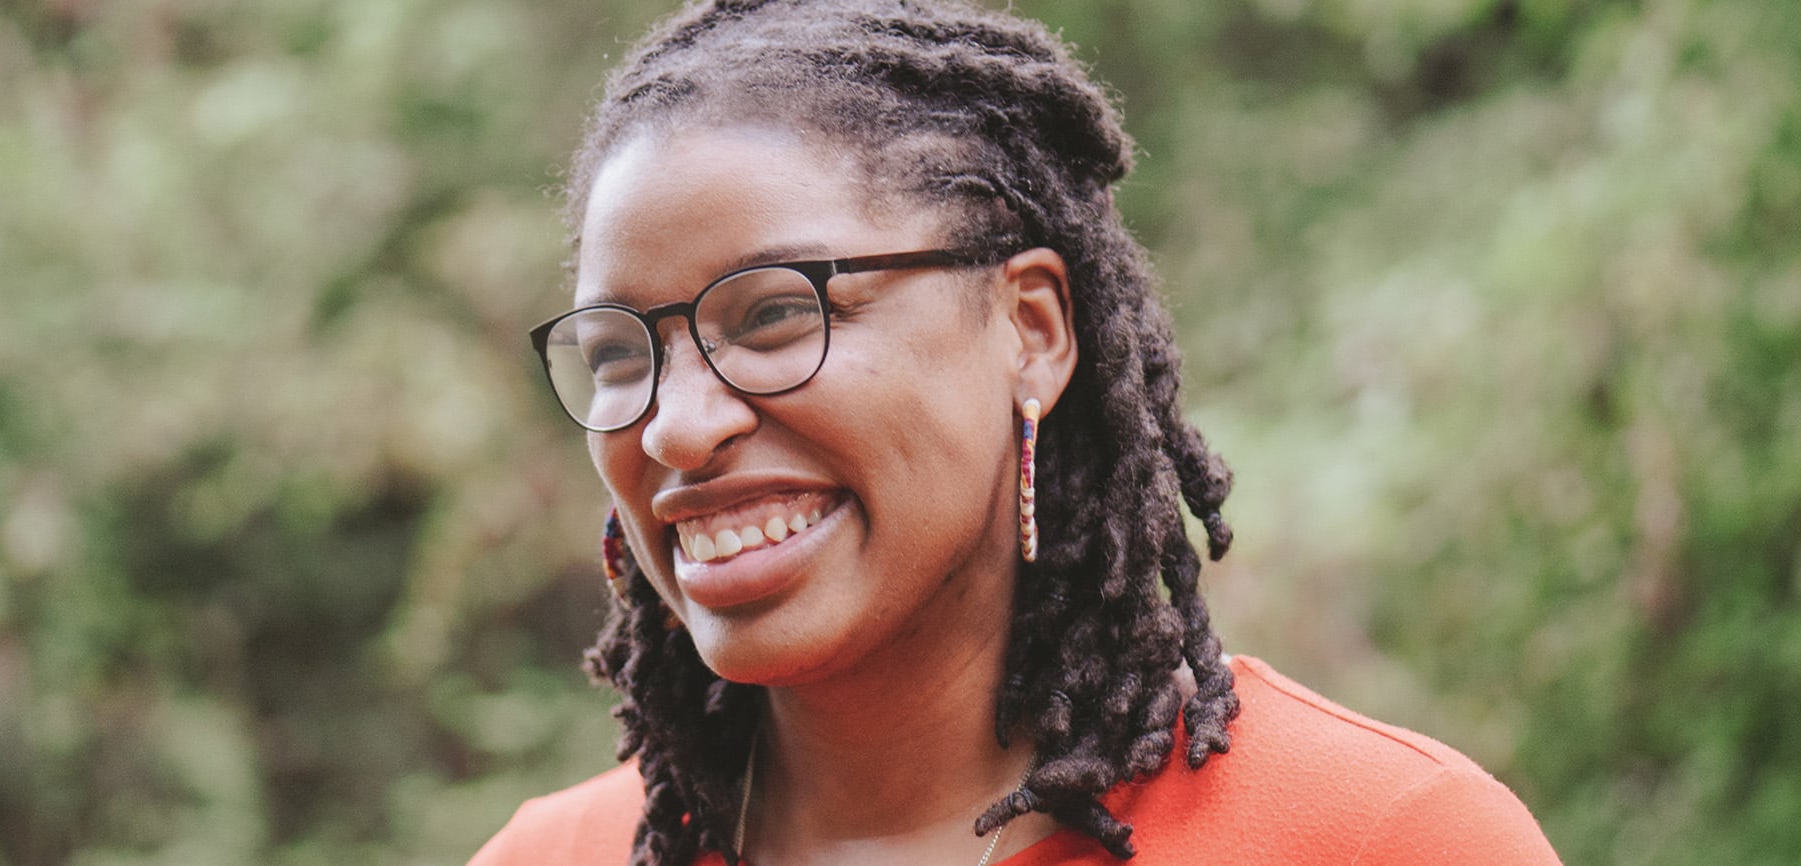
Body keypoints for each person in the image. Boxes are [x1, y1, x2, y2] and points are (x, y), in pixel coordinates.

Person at [477, 1, 1561, 864]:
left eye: (772, 316)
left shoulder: (1383, 838)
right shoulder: (550, 855)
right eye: (621, 354)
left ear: (1029, 328)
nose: (677, 426)